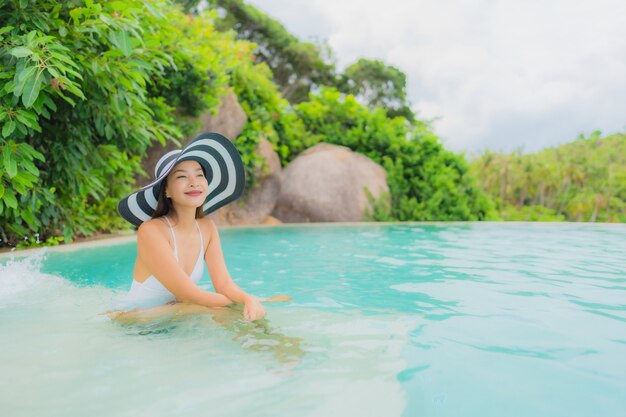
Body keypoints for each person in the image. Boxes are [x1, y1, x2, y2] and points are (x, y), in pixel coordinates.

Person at [112, 132, 289, 321]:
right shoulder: (151, 230)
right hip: (137, 320)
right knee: (223, 311)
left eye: (199, 175)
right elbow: (189, 295)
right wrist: (244, 301)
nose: (193, 182)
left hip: (175, 316)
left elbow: (223, 284)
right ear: (166, 190)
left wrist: (247, 299)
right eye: (182, 177)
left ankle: (270, 348)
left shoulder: (207, 228)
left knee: (242, 314)